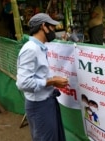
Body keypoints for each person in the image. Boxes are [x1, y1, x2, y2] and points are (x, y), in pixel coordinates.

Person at [16, 13, 68, 141]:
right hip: (39, 106)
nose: (54, 30)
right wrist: (52, 81)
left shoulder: (40, 48)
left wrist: (52, 81)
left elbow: (38, 75)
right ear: (43, 26)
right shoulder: (30, 50)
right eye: (52, 27)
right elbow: (23, 83)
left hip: (47, 102)